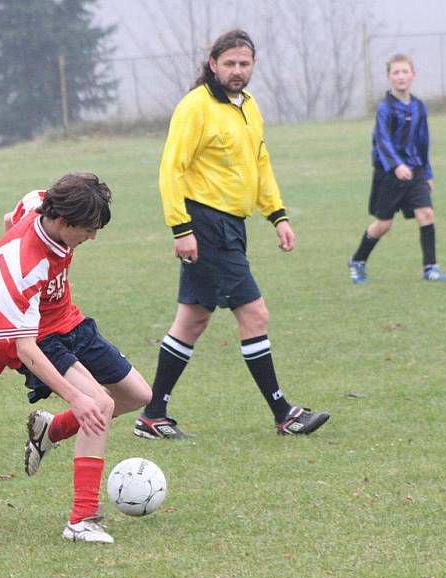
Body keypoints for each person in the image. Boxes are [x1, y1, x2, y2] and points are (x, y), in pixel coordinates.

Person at [134, 29, 330, 440]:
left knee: (192, 320)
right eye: (229, 64)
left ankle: (153, 415)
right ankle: (284, 413)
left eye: (244, 64)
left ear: (252, 65)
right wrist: (181, 229)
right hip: (205, 225)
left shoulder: (249, 106)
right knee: (255, 314)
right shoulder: (195, 107)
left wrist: (277, 215)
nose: (237, 71)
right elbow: (171, 170)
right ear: (213, 64)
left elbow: (259, 164)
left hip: (232, 226)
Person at [0, 173, 151, 544]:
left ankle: (51, 430)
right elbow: (25, 349)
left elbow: (12, 216)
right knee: (98, 405)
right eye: (88, 230)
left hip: (69, 320)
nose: (92, 238)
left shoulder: (40, 201)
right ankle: (81, 520)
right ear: (63, 222)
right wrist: (77, 397)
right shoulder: (21, 265)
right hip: (34, 337)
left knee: (136, 396)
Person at [347, 53, 446, 284]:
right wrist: (396, 165)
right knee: (384, 224)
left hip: (414, 171)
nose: (401, 76)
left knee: (426, 213)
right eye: (396, 72)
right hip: (389, 174)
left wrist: (427, 173)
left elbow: (423, 141)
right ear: (389, 77)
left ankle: (431, 268)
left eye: (405, 71)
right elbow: (382, 141)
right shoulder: (385, 108)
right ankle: (357, 260)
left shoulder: (419, 107)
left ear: (412, 75)